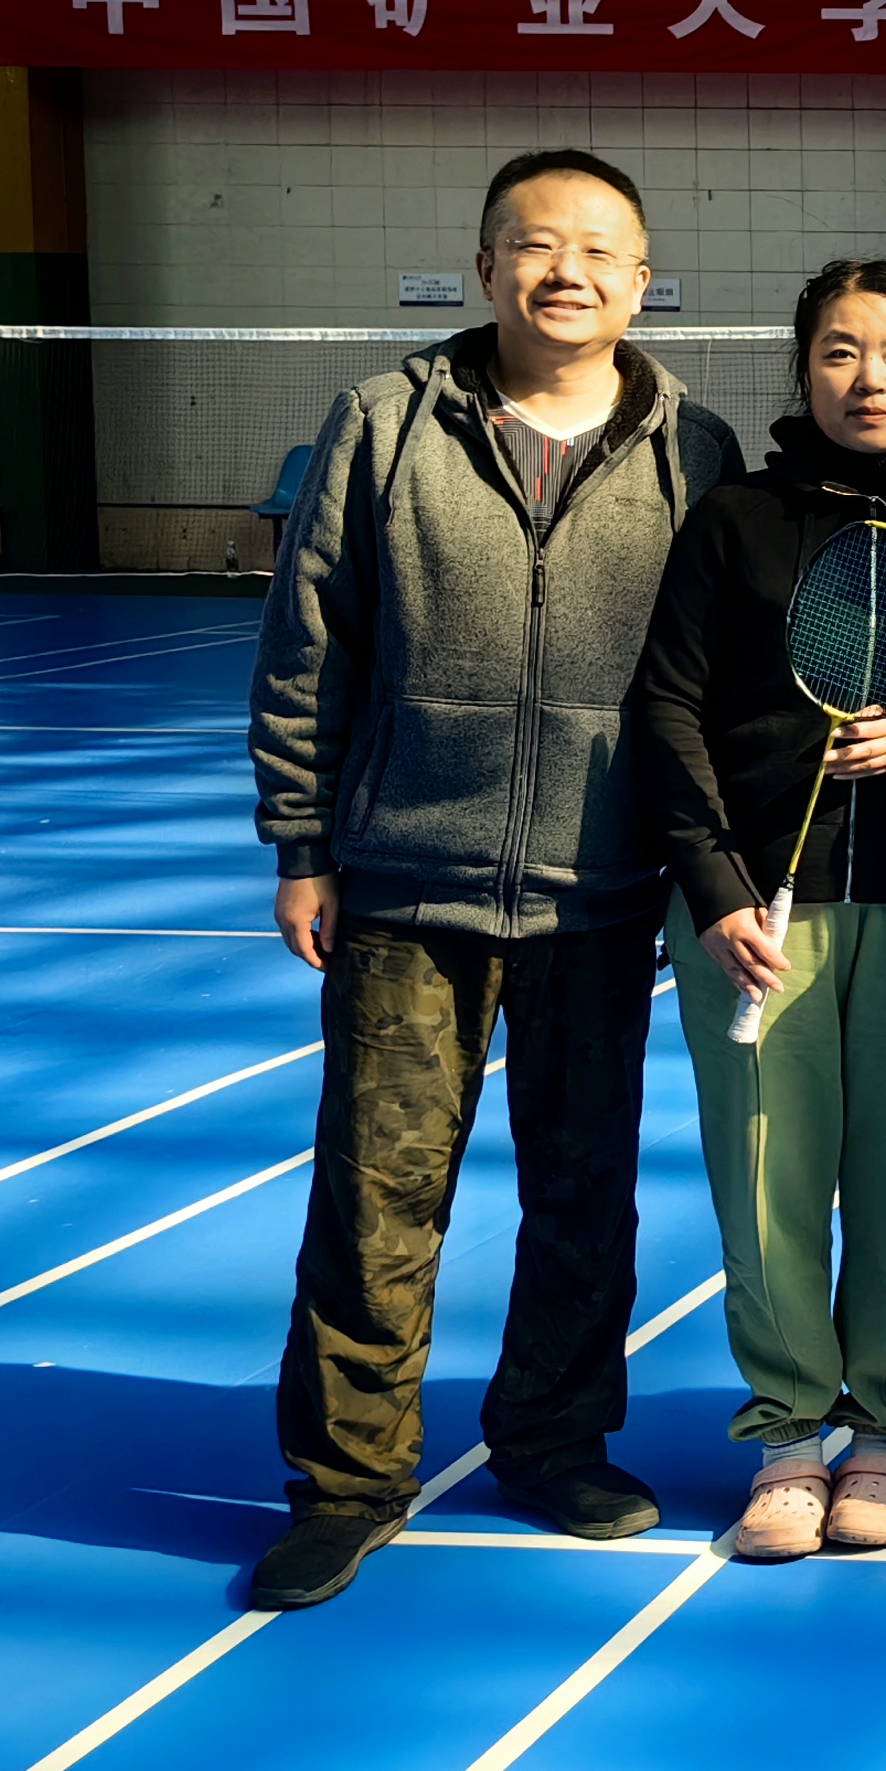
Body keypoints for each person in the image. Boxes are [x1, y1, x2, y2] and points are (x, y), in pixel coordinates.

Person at [244, 150, 744, 1612]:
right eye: (534, 244)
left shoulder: (698, 450)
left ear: (643, 282)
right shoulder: (383, 422)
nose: (564, 271)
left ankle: (553, 1441)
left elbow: (721, 677)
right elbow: (309, 640)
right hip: (406, 885)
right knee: (374, 1202)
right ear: (485, 270)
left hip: (606, 890)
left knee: (585, 1198)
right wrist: (302, 841)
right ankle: (347, 1484)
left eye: (597, 249)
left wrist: (706, 862)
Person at [633, 259, 886, 1564]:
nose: (869, 378)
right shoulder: (735, 520)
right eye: (842, 351)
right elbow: (665, 703)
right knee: (767, 1179)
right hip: (753, 918)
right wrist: (713, 884)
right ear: (804, 366)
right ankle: (789, 1436)